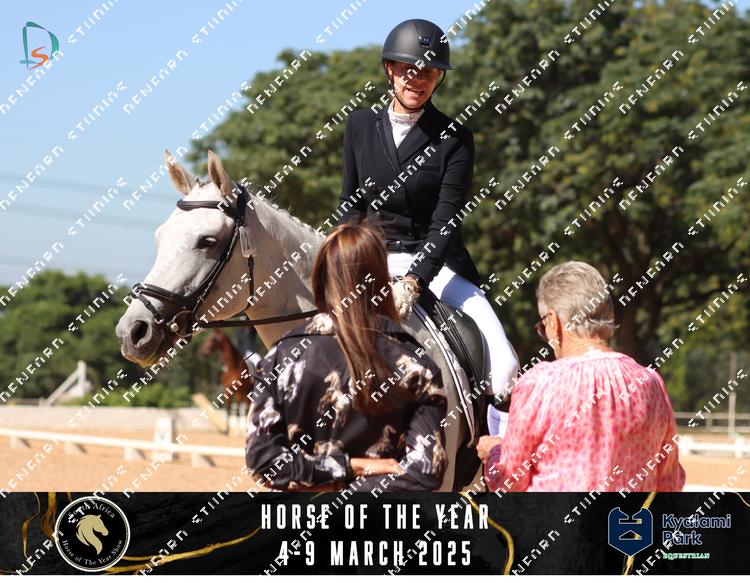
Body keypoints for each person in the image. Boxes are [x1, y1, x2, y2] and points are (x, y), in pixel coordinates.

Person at [335, 18, 519, 431]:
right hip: (372, 258)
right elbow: (351, 205)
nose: (417, 79)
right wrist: (344, 260)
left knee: (504, 360)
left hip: (434, 265)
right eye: (408, 69)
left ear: (438, 78)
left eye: (429, 72)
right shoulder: (360, 125)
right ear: (390, 69)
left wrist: (415, 281)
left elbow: (445, 222)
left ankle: (497, 455)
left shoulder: (455, 139)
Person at [244, 221, 449, 492]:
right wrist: (355, 469)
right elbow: (426, 471)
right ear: (382, 280)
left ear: (320, 279)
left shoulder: (278, 359)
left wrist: (336, 475)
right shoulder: (418, 367)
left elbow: (262, 461)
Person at [476, 261, 686, 492]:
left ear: (553, 321)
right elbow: (670, 483)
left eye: (543, 325)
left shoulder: (540, 383)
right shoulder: (651, 383)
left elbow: (508, 483)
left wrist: (494, 452)